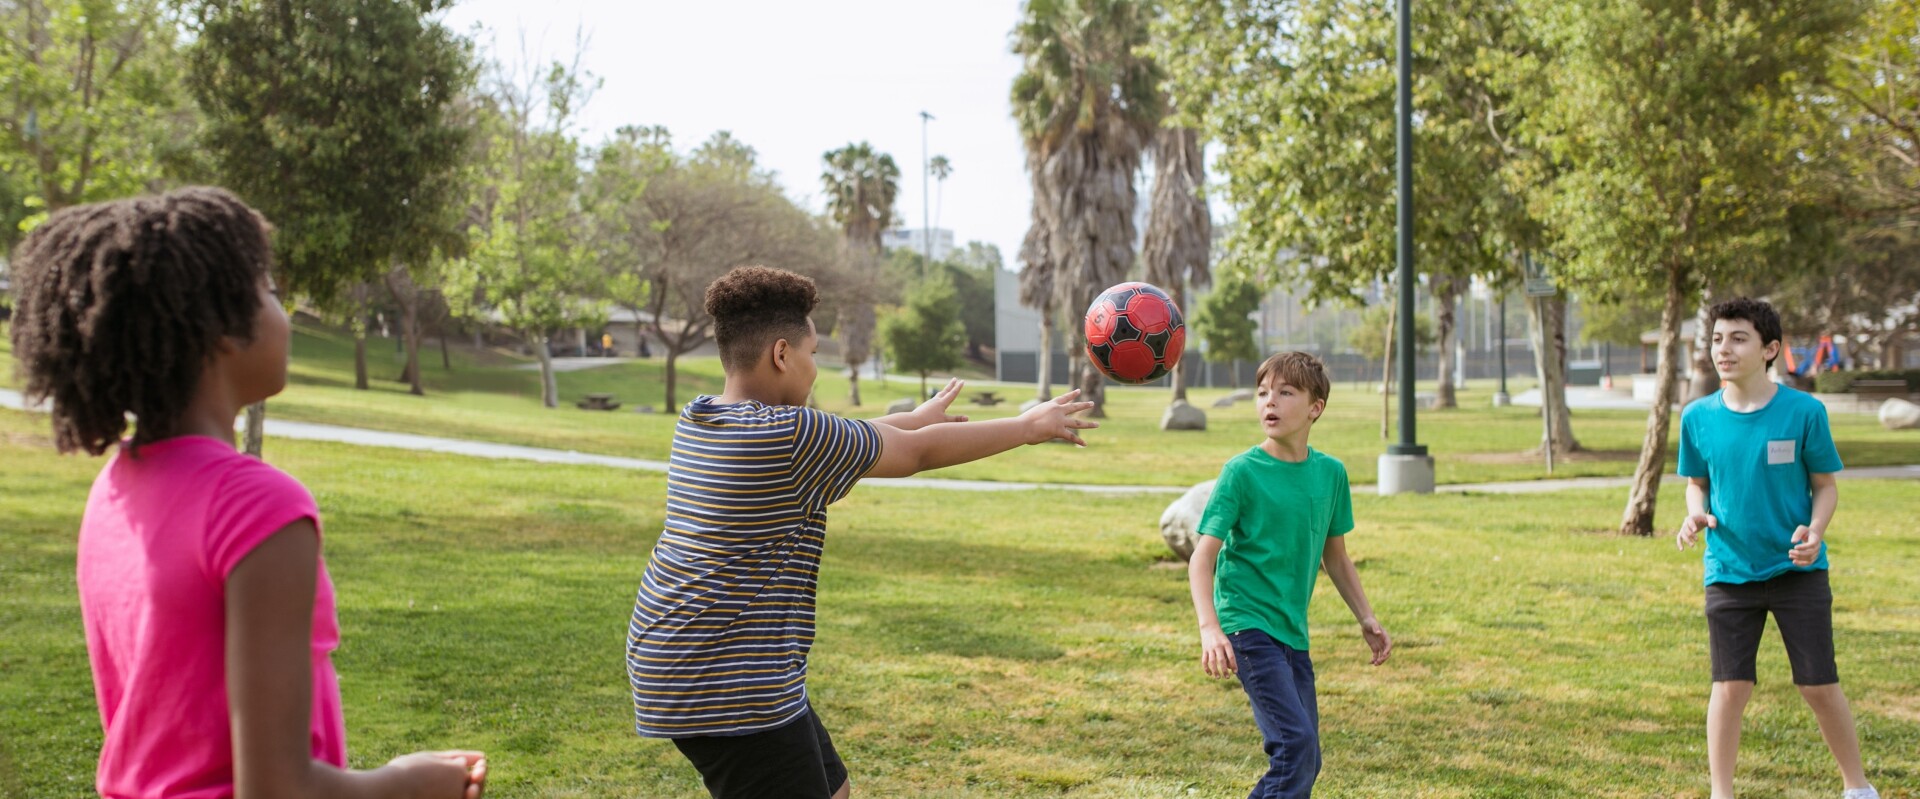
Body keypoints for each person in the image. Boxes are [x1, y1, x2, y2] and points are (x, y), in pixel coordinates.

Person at [7, 188, 486, 799]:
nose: (284, 313)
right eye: (272, 292)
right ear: (224, 329)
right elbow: (277, 790)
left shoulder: (114, 489)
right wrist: (405, 783)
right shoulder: (259, 507)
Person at [626, 265, 1097, 799]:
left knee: (834, 789)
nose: (815, 370)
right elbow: (913, 456)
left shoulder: (705, 417)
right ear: (782, 354)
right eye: (814, 355)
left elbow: (858, 435)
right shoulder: (789, 434)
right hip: (726, 676)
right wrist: (1026, 427)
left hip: (700, 655)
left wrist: (916, 417)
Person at [1675, 298, 1877, 799]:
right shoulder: (1697, 416)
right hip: (1728, 568)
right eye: (1718, 338)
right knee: (1730, 686)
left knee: (1817, 684)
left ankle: (1857, 789)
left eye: (1738, 338)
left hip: (1797, 569)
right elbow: (1696, 482)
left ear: (1770, 349)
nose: (1724, 348)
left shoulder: (1804, 411)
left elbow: (1825, 486)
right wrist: (1695, 512)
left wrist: (1816, 530)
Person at [1188, 351, 1390, 799]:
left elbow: (1334, 557)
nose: (1268, 402)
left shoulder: (1331, 474)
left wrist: (1366, 617)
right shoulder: (1241, 472)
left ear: (1315, 407)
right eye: (1262, 393)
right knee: (1295, 745)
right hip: (1248, 625)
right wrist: (1210, 629)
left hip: (1292, 633)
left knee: (1307, 755)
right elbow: (1201, 558)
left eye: (1285, 392)